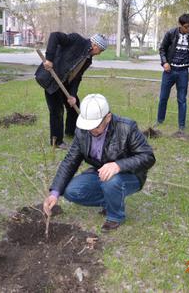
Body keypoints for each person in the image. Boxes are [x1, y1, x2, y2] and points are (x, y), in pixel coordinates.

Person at [43, 94, 156, 232]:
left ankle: (115, 216)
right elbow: (70, 161)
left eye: (95, 126)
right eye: (88, 126)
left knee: (112, 181)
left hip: (131, 174)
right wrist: (54, 193)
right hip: (100, 173)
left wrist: (118, 165)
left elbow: (148, 157)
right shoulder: (82, 131)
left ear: (108, 118)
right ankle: (110, 201)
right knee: (70, 191)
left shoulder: (126, 128)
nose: (91, 130)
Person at [35, 33, 107, 149]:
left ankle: (70, 132)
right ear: (95, 46)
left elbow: (77, 77)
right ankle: (57, 141)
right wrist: (49, 59)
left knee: (74, 105)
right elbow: (54, 36)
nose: (99, 53)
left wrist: (72, 95)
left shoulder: (88, 59)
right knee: (57, 110)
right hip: (52, 79)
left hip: (65, 82)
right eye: (100, 50)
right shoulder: (76, 40)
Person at [157, 13, 189, 132]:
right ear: (180, 25)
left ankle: (181, 126)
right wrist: (164, 63)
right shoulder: (170, 33)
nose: (188, 29)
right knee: (163, 98)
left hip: (183, 72)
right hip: (169, 72)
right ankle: (160, 121)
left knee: (182, 99)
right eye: (186, 27)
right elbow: (162, 49)